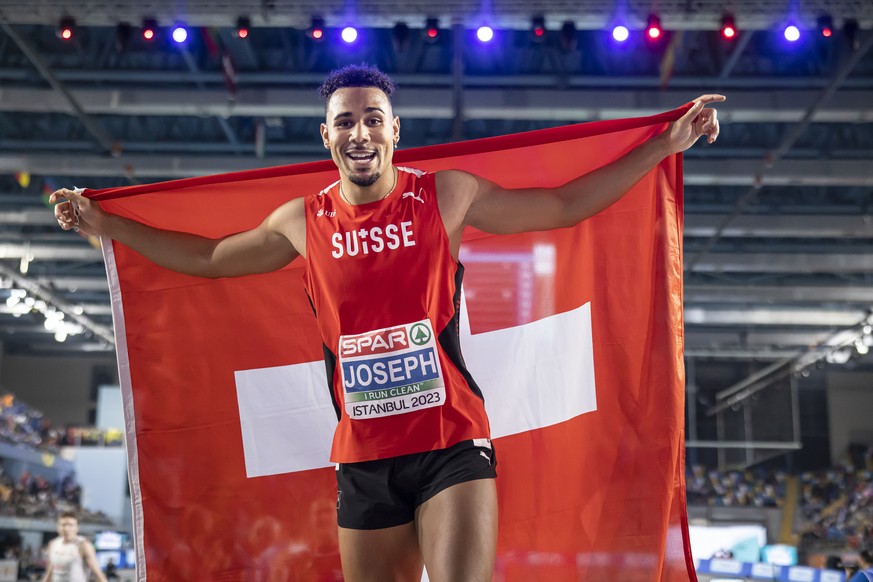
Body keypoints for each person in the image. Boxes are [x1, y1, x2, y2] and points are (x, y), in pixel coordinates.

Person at [51, 64, 722, 582]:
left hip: (451, 443)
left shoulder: (445, 195)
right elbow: (207, 259)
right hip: (363, 458)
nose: (360, 132)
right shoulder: (300, 221)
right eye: (345, 121)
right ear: (327, 136)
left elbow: (564, 205)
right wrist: (103, 223)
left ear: (394, 130)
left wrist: (664, 144)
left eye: (373, 118)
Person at [43, 511, 108, 582]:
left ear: (77, 528)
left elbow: (98, 573)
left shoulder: (83, 545)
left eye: (70, 525)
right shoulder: (53, 544)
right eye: (63, 525)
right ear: (58, 527)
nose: (66, 529)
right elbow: (49, 572)